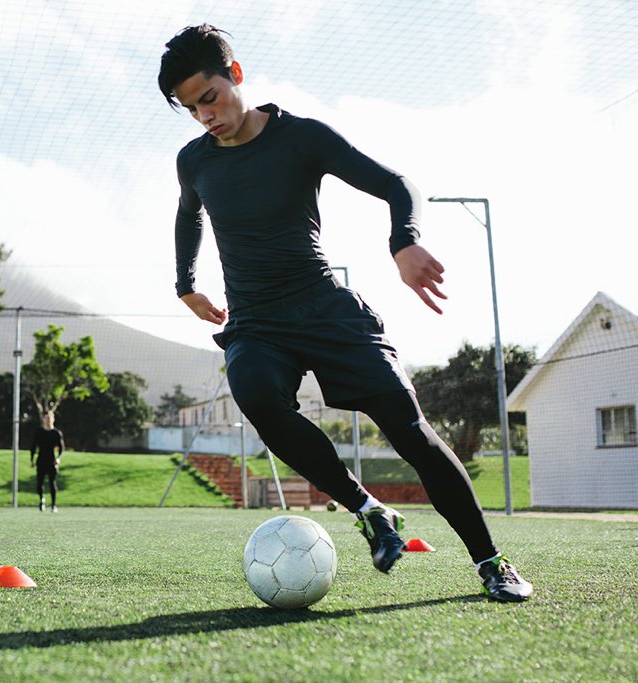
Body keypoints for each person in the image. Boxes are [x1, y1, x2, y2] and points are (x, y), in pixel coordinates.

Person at [158, 25, 532, 602]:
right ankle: (368, 509)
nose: (204, 115)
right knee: (255, 392)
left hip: (326, 308)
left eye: (208, 97)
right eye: (190, 109)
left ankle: (492, 562)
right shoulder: (194, 161)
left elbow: (395, 183)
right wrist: (186, 284)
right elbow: (189, 216)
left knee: (413, 434)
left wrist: (403, 242)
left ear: (234, 75)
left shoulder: (300, 137)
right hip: (256, 321)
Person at [30, 411, 64, 512]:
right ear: (43, 419)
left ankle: (53, 505)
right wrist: (31, 459)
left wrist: (58, 458)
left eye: (50, 417)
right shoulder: (39, 432)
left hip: (51, 461)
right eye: (46, 418)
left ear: (53, 419)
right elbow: (33, 446)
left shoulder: (56, 433)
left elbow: (61, 448)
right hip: (41, 460)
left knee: (52, 483)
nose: (48, 420)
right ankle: (42, 499)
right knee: (39, 483)